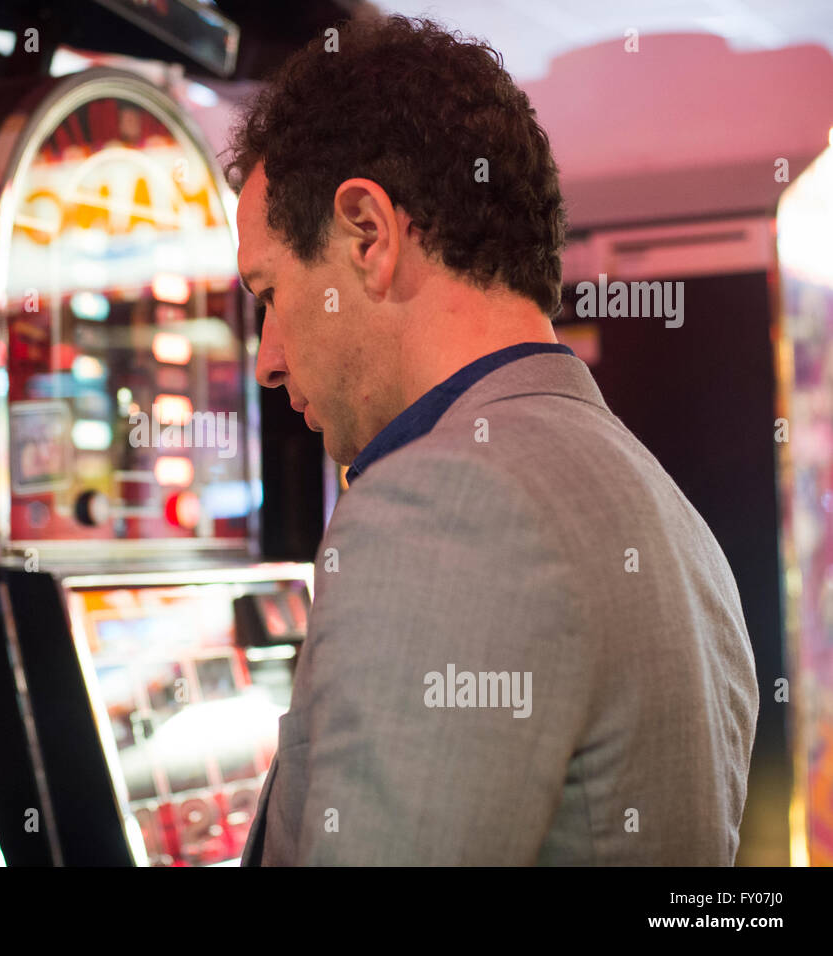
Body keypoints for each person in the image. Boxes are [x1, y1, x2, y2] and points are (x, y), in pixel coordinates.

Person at [229, 15, 759, 865]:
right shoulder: (652, 493)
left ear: (369, 233)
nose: (268, 359)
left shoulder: (442, 504)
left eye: (270, 294)